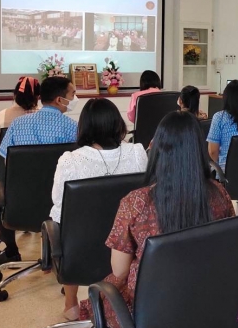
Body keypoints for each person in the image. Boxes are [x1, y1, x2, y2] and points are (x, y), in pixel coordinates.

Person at [78, 112, 234, 327]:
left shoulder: (136, 203)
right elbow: (228, 248)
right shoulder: (220, 194)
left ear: (158, 148)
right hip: (206, 296)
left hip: (149, 305)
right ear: (199, 149)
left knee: (101, 292)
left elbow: (120, 270)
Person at [50, 98, 148, 321]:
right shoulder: (137, 153)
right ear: (118, 123)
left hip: (82, 253)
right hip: (128, 249)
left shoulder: (70, 161)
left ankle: (71, 304)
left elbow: (59, 206)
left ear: (84, 126)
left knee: (64, 225)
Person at [0, 76, 78, 265]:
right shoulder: (73, 128)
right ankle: (59, 254)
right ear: (59, 100)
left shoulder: (17, 125)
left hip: (20, 204)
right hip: (61, 204)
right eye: (73, 94)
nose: (75, 98)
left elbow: (5, 162)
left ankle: (11, 250)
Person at [0, 76, 40, 159]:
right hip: (41, 167)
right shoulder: (46, 118)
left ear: (15, 95)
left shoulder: (1, 116)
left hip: (10, 169)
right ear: (37, 97)